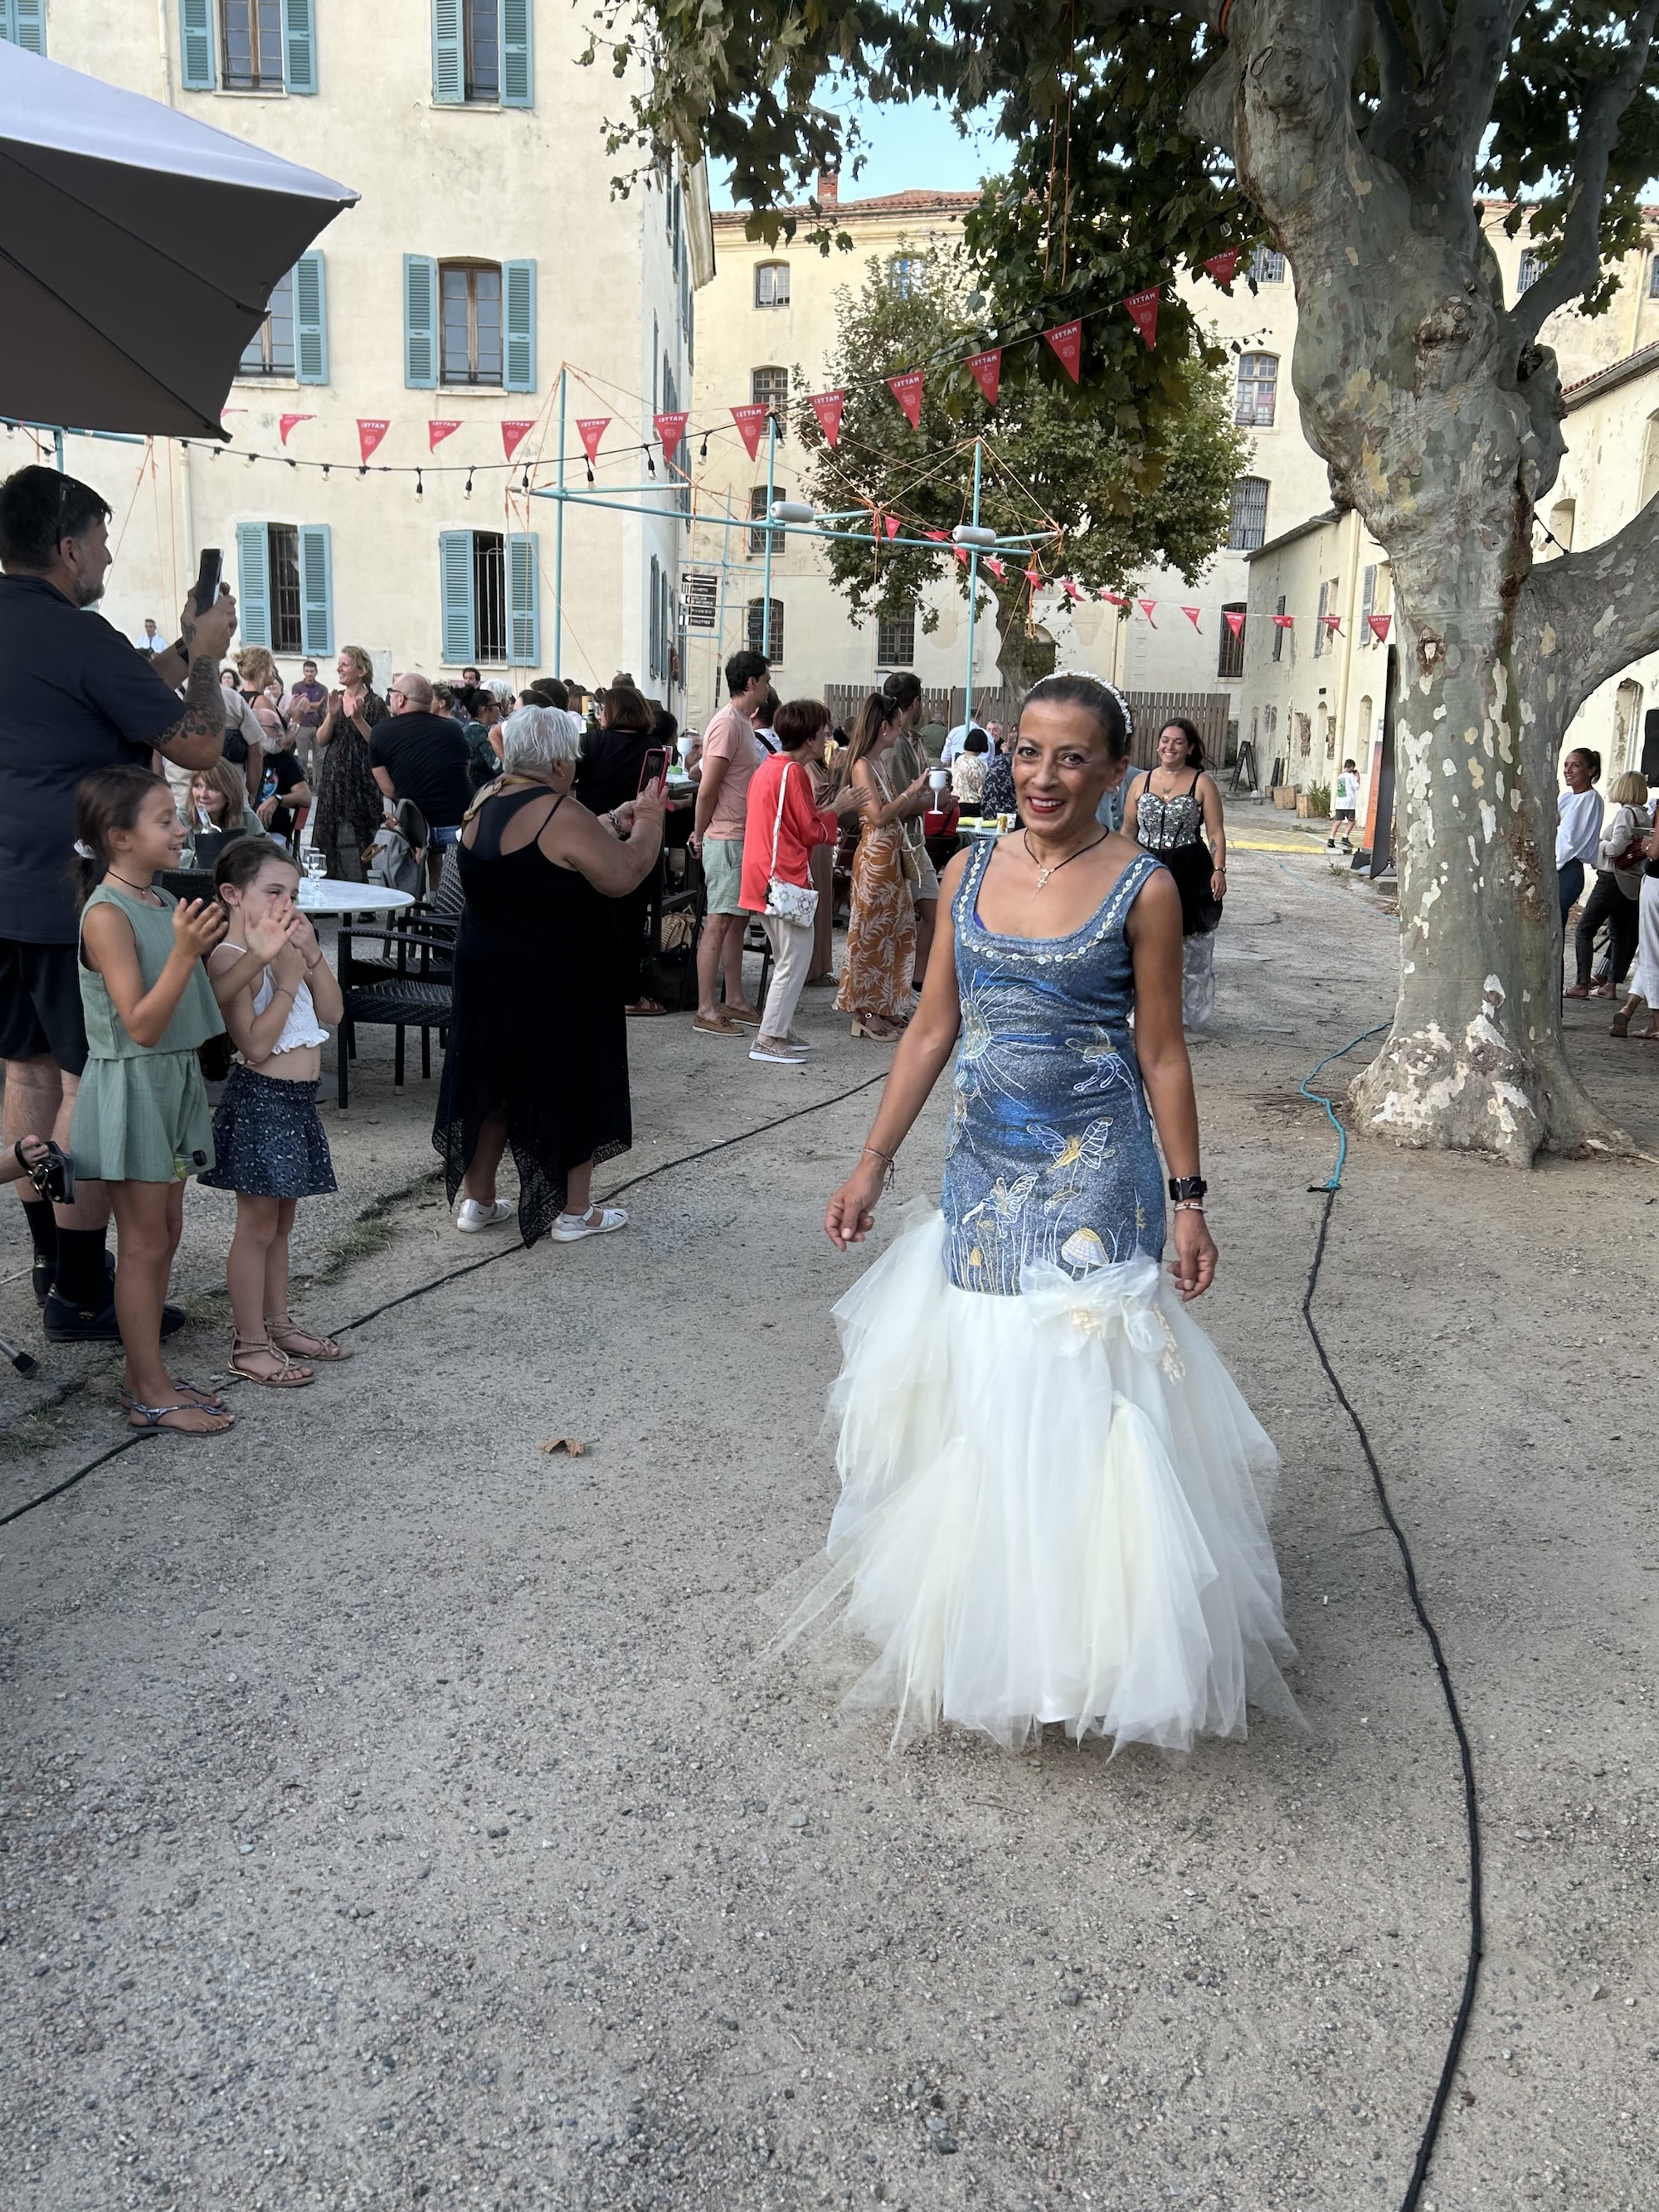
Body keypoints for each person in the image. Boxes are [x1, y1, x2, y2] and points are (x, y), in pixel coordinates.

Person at [789, 672, 1296, 1751]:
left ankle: (1090, 1650)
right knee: (992, 1386)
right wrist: (872, 1163)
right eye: (1028, 751)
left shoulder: (1144, 887)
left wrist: (1189, 1198)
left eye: (1072, 756)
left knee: (1075, 1394)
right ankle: (1002, 1632)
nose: (1044, 775)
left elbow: (1162, 1051)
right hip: (981, 1174)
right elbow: (931, 1028)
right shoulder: (968, 867)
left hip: (1096, 1176)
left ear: (1116, 771)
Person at [0, 464, 235, 1341]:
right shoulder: (80, 633)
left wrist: (175, 649)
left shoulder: (43, 633)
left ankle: (50, 1263)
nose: (106, 552)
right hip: (69, 891)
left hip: (3, 884)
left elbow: (111, 687)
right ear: (67, 548)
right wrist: (206, 656)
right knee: (86, 1084)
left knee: (22, 1072)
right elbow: (202, 746)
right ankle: (82, 1290)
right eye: (99, 538)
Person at [434, 705, 664, 1242]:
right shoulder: (558, 809)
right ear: (560, 761)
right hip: (554, 974)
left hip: (486, 968)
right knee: (571, 1079)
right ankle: (574, 1211)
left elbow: (544, 857)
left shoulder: (485, 800)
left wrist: (612, 819)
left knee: (493, 1083)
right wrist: (650, 822)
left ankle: (478, 1199)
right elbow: (623, 873)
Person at [69, 767, 235, 1432]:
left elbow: (199, 1004)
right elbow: (139, 1022)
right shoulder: (107, 913)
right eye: (165, 818)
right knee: (141, 1243)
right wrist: (184, 954)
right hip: (133, 1086)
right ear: (118, 837)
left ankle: (150, 1376)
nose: (182, 825)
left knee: (165, 1234)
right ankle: (148, 1391)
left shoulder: (162, 901)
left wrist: (269, 950)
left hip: (171, 1081)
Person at [200, 837, 347, 1386]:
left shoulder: (289, 948)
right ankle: (250, 1343)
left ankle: (277, 1322)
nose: (287, 903)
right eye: (274, 892)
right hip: (262, 1103)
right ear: (233, 895)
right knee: (257, 1227)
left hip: (296, 1104)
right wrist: (285, 981)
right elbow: (255, 1044)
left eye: (294, 892)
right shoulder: (232, 957)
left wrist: (310, 957)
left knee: (281, 1224)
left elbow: (332, 1010)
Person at [739, 698, 864, 1064]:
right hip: (781, 877)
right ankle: (769, 1037)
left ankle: (778, 1029)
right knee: (796, 957)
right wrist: (838, 808)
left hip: (764, 874)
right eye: (823, 729)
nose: (827, 733)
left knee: (787, 957)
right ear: (810, 737)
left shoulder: (772, 767)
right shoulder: (792, 772)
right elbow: (811, 830)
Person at [834, 692, 930, 1041]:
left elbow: (892, 811)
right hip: (876, 856)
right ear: (885, 726)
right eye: (898, 727)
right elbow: (877, 815)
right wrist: (912, 791)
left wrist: (919, 799)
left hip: (889, 855)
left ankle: (885, 1004)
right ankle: (864, 1010)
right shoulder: (862, 764)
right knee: (870, 933)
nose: (900, 734)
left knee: (893, 932)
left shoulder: (877, 764)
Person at [1125, 717, 1228, 1029]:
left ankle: (1182, 1012)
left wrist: (1219, 869)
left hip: (1189, 867)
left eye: (1178, 742)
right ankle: (1139, 1009)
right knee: (1140, 938)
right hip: (1147, 865)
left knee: (1186, 941)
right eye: (1165, 740)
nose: (1170, 747)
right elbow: (1128, 828)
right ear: (1158, 744)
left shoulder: (1202, 783)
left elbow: (1217, 833)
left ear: (1190, 748)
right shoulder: (1140, 782)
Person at [691, 648, 770, 1038]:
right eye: (766, 680)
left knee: (736, 921)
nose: (769, 688)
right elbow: (708, 787)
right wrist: (699, 832)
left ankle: (734, 999)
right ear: (751, 682)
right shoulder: (727, 723)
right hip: (725, 836)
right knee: (719, 922)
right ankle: (706, 1008)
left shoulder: (740, 722)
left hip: (738, 834)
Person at [576, 684, 668, 1015]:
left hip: (592, 836)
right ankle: (629, 995)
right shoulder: (652, 747)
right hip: (634, 841)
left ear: (611, 712)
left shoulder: (592, 743)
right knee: (630, 922)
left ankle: (589, 987)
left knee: (589, 918)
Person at [370, 672, 473, 886]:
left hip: (413, 833)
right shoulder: (453, 729)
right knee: (435, 853)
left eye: (392, 692)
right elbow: (464, 771)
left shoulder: (380, 733)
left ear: (400, 699)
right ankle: (439, 901)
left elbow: (389, 790)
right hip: (456, 830)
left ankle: (414, 899)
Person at [1569, 770, 1650, 1000]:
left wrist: (1598, 844)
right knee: (1621, 934)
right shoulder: (1643, 815)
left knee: (1585, 928)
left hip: (1612, 877)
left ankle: (1582, 983)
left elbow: (1615, 848)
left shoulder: (1625, 814)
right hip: (1632, 881)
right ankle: (1612, 983)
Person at [883, 673, 941, 986]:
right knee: (906, 919)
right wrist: (935, 801)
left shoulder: (909, 739)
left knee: (934, 911)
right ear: (916, 701)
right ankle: (906, 984)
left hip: (913, 841)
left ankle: (916, 981)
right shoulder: (894, 745)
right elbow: (896, 802)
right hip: (902, 843)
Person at [311, 647, 388, 882]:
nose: (339, 668)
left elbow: (378, 742)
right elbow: (322, 740)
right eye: (340, 664)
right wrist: (332, 715)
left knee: (366, 834)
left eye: (345, 664)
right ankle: (329, 893)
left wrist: (358, 719)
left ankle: (368, 895)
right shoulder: (332, 699)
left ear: (362, 670)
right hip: (334, 777)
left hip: (364, 777)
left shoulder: (375, 703)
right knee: (328, 834)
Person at [1556, 746, 1604, 935]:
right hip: (1561, 868)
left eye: (1575, 766)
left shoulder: (1590, 799)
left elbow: (1569, 840)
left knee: (1554, 931)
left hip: (1567, 868)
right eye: (1566, 765)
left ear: (1590, 770)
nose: (1568, 770)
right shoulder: (1567, 798)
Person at [256, 721, 312, 846]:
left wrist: (278, 799)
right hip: (242, 831)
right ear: (256, 727)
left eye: (282, 729)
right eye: (275, 728)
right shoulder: (240, 755)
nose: (281, 734)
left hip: (274, 833)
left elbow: (305, 797)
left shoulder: (285, 759)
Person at [187, 759, 266, 843]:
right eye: (197, 786)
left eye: (212, 788)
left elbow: (265, 851)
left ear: (229, 793)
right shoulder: (181, 818)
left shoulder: (247, 818)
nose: (202, 795)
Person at [284, 658, 328, 773]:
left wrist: (308, 705)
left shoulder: (323, 688)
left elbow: (323, 706)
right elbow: (299, 705)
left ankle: (320, 786)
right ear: (304, 672)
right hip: (303, 726)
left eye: (312, 671)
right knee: (302, 758)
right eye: (307, 671)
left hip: (318, 726)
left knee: (321, 758)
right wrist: (315, 706)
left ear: (316, 672)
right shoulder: (297, 687)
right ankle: (304, 785)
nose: (309, 674)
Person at [461, 691, 504, 793]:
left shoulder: (469, 727)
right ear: (485, 710)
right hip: (480, 792)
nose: (500, 710)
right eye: (497, 705)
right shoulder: (477, 731)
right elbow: (497, 766)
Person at [951, 727, 991, 808]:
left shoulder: (959, 759)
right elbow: (982, 789)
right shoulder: (980, 764)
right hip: (972, 805)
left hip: (956, 803)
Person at [1329, 757, 1361, 851]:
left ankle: (1331, 839)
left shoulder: (1340, 776)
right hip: (1348, 802)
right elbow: (1356, 787)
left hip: (1339, 801)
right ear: (1351, 767)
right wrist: (1358, 777)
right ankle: (1345, 837)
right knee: (1351, 821)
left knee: (1338, 821)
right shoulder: (1350, 776)